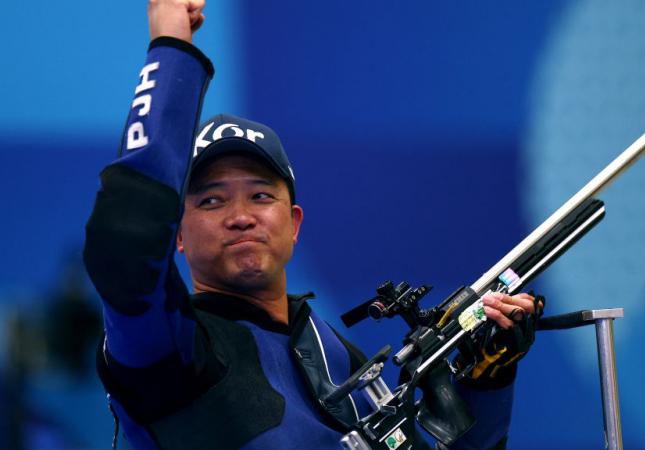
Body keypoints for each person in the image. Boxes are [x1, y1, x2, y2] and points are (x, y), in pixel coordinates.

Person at [83, 1, 543, 448]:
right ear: (178, 233)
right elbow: (125, 243)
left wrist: (487, 383)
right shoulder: (166, 349)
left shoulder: (334, 353)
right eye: (212, 200)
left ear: (294, 223)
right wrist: (171, 48)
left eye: (261, 196)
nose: (240, 217)